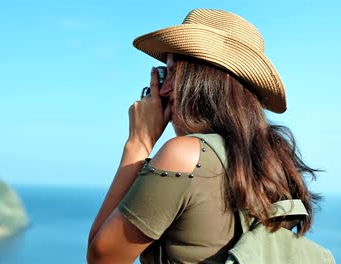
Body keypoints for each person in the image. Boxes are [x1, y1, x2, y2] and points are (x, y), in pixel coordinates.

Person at [87, 8, 320, 264]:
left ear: (202, 78)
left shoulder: (183, 155)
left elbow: (102, 257)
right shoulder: (273, 159)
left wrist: (138, 144)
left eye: (173, 72)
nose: (163, 89)